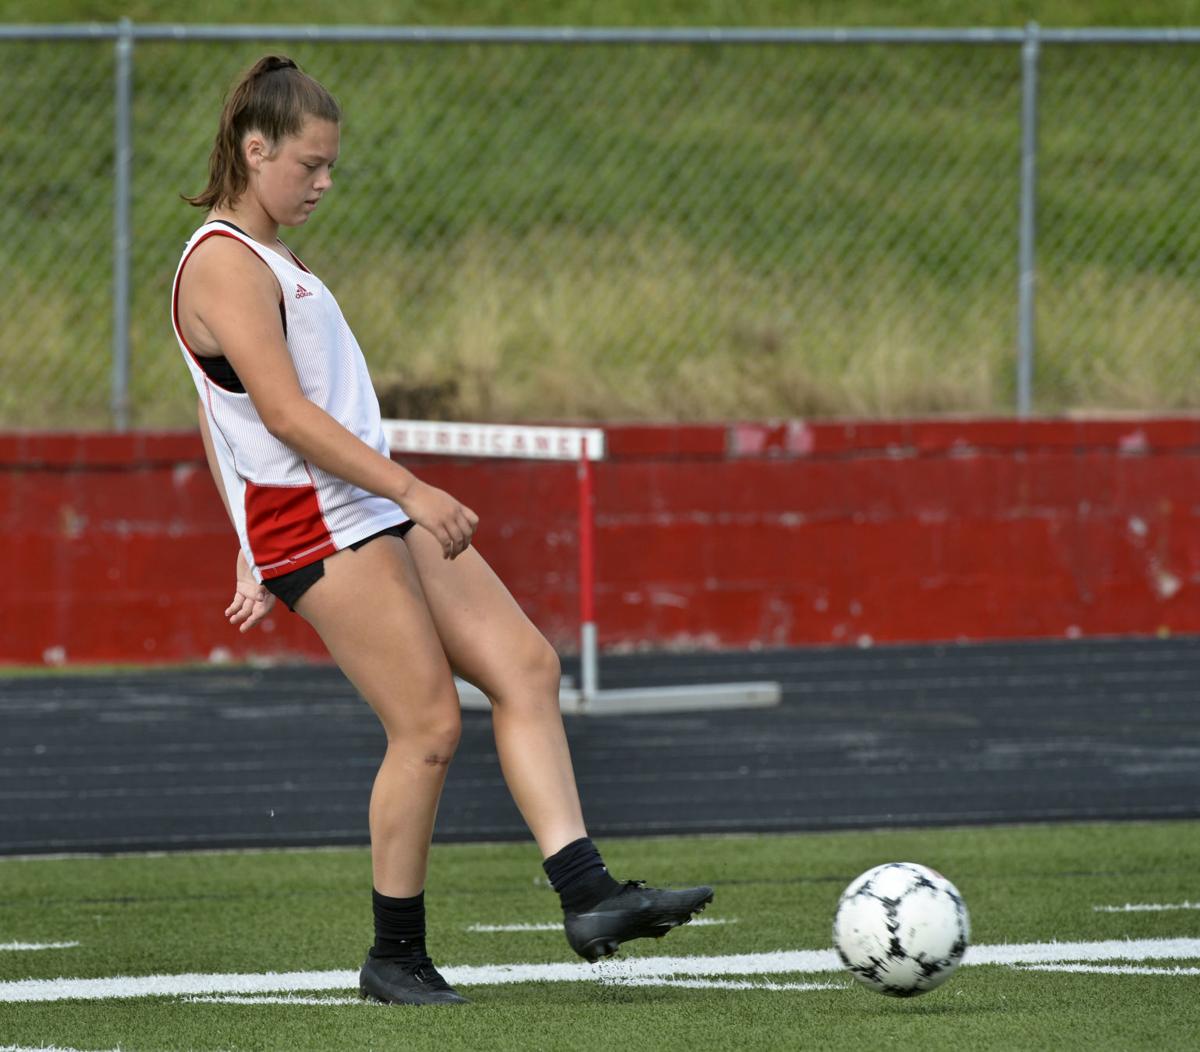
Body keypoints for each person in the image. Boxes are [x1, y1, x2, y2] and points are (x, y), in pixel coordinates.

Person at [173, 55, 713, 1007]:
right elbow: (287, 419)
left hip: (360, 505)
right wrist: (403, 494)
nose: (326, 182)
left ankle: (586, 894)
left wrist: (259, 535)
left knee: (526, 666)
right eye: (310, 164)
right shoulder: (221, 261)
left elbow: (230, 420)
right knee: (424, 725)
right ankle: (395, 956)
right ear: (254, 152)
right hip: (322, 521)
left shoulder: (275, 261)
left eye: (332, 164)